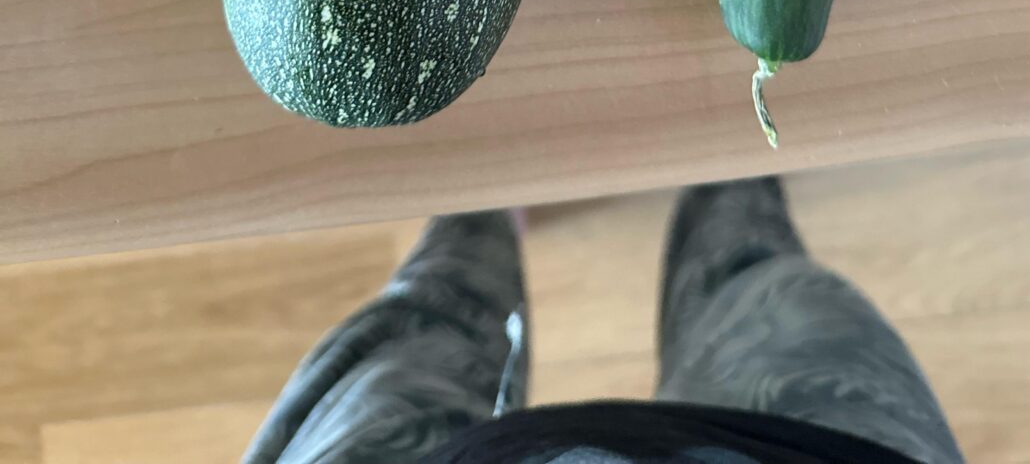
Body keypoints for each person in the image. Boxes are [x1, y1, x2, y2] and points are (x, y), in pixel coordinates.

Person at [243, 175, 964, 464]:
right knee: (756, 270)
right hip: (814, 452)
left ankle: (483, 191)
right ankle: (731, 140)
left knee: (431, 313)